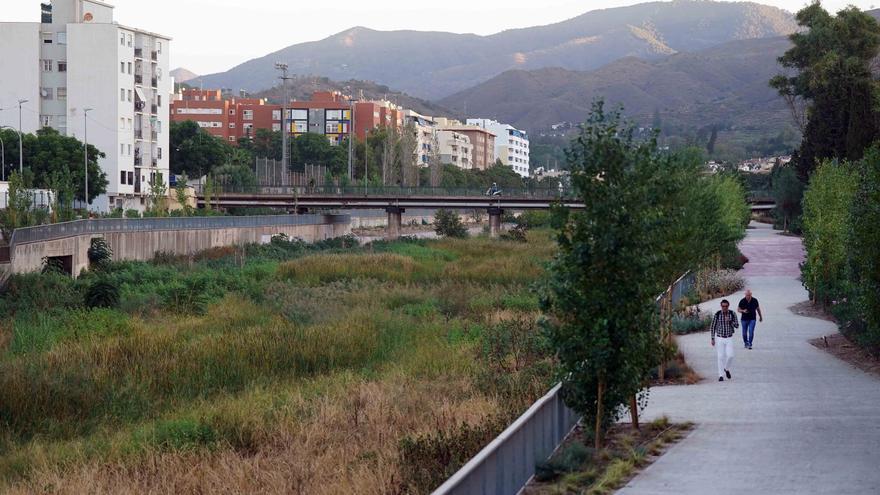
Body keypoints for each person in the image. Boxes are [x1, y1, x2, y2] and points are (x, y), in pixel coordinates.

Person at [711, 299, 739, 382]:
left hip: (729, 337)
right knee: (720, 357)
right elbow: (712, 327)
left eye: (726, 306)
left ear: (728, 306)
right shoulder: (717, 314)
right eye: (723, 306)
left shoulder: (732, 314)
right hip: (720, 337)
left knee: (730, 356)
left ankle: (726, 369)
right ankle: (720, 375)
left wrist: (730, 321)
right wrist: (712, 338)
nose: (724, 308)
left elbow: (737, 325)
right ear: (721, 306)